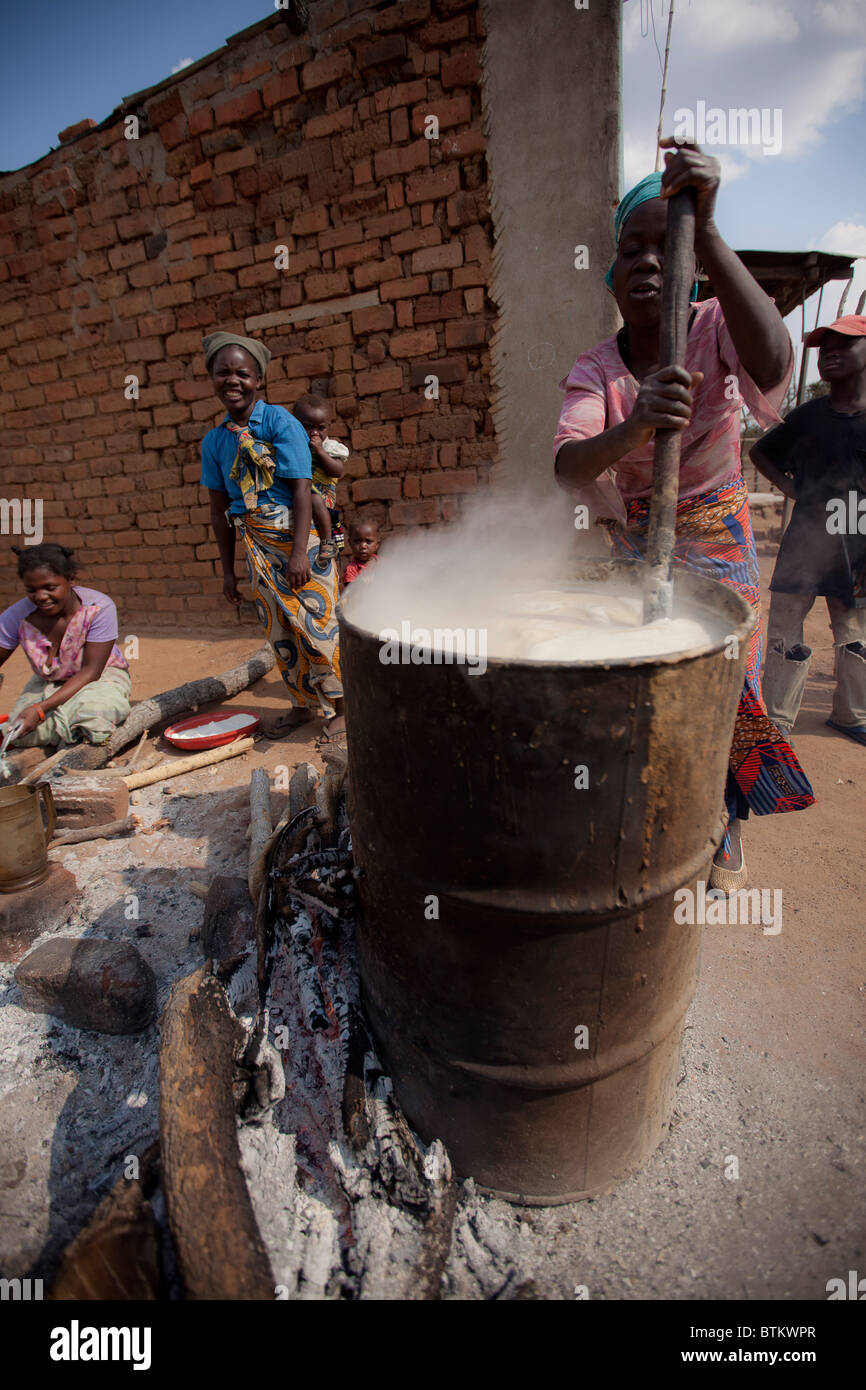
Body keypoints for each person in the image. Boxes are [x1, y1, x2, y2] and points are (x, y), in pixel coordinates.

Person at [553, 142, 815, 891]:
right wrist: (634, 428)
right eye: (629, 250)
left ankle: (725, 828)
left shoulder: (711, 325)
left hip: (720, 538)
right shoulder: (597, 369)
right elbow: (570, 464)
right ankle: (653, 812)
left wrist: (710, 233)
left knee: (727, 685)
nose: (647, 262)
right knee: (645, 683)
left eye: (664, 245)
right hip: (637, 544)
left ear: (691, 262)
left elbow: (773, 363)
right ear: (611, 276)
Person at [200, 330, 345, 741]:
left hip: (299, 543)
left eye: (242, 374)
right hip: (257, 549)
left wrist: (300, 553)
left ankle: (344, 706)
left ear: (258, 379)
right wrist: (228, 572)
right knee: (279, 629)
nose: (232, 381)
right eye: (222, 373)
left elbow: (302, 488)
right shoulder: (214, 441)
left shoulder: (281, 422)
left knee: (319, 625)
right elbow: (218, 510)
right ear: (212, 379)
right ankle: (301, 704)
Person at [752, 315, 866, 746]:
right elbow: (763, 452)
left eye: (845, 344)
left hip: (858, 546)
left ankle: (852, 716)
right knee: (784, 628)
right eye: (824, 347)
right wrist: (788, 486)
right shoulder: (806, 418)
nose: (831, 353)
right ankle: (778, 719)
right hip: (805, 544)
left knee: (854, 635)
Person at [0, 544, 131, 747]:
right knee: (17, 731)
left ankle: (71, 737)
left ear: (71, 580)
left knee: (93, 717)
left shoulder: (98, 608)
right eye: (31, 590)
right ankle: (64, 731)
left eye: (50, 588)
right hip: (48, 681)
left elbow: (91, 671)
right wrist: (37, 709)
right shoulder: (16, 617)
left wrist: (41, 709)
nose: (41, 596)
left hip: (100, 674)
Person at [291, 394, 349, 564]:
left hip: (322, 494)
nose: (315, 432)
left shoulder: (330, 446)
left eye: (321, 428)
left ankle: (327, 542)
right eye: (308, 426)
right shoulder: (293, 446)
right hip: (301, 493)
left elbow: (337, 470)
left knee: (315, 500)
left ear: (328, 427)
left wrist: (320, 452)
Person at [343, 519, 381, 585]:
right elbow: (350, 591)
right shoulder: (351, 569)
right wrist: (361, 583)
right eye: (357, 541)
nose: (363, 546)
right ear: (350, 543)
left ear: (377, 544)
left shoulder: (382, 562)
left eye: (368, 542)